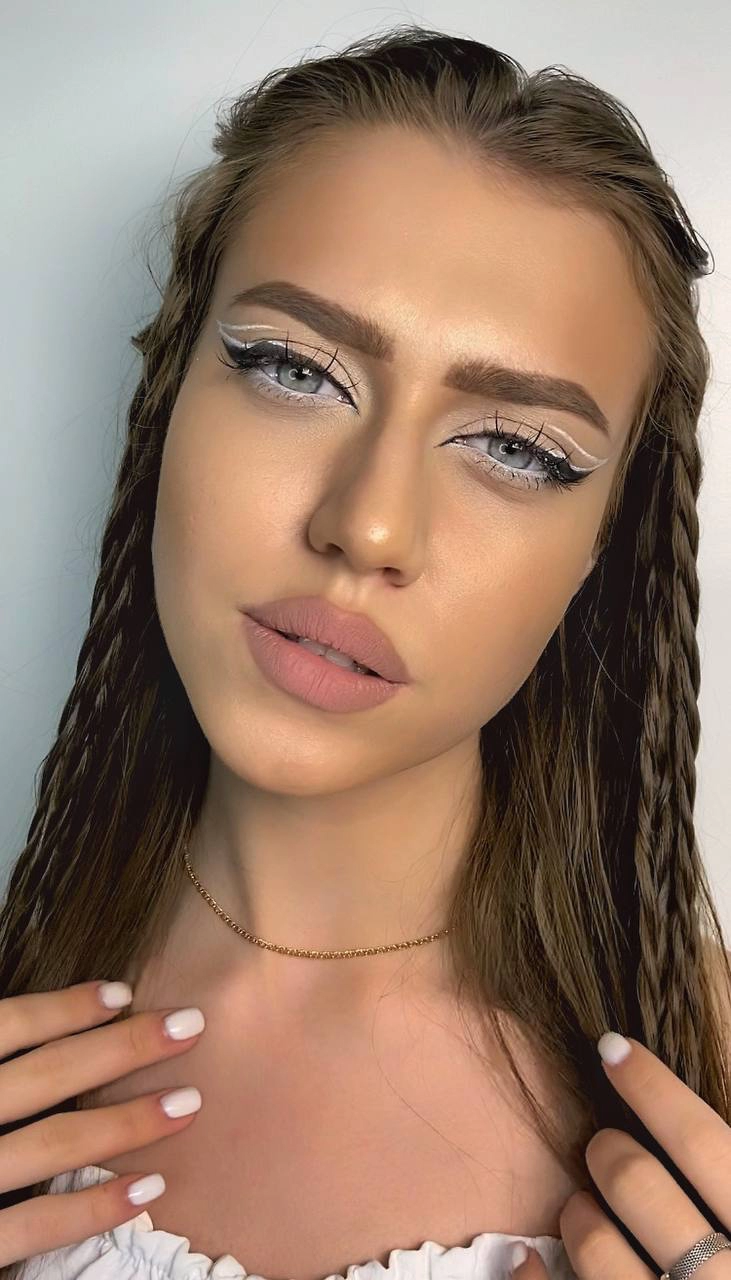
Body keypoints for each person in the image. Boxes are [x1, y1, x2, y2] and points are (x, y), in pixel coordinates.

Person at [1, 22, 728, 1280]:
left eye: (517, 449)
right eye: (293, 369)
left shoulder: (706, 1073)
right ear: (166, 399)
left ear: (604, 547)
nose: (367, 525)